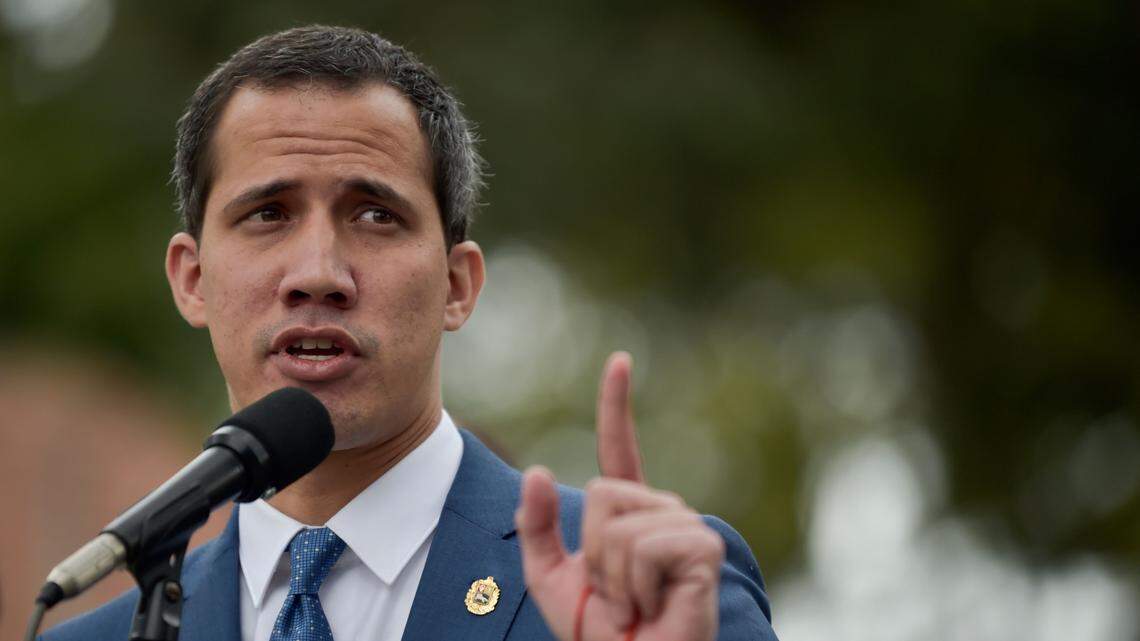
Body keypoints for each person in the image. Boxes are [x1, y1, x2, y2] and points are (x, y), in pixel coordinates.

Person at [40, 25, 778, 641]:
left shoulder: (650, 592)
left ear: (458, 285)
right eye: (268, 214)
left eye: (375, 215)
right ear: (192, 279)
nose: (319, 272)